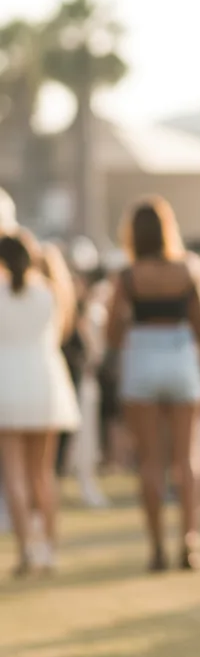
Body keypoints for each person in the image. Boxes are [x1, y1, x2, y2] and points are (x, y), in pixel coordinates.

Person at [107, 198, 200, 572]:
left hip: (142, 360)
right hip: (182, 356)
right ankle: (190, 542)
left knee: (151, 461)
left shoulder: (128, 275)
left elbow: (112, 332)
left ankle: (156, 547)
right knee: (188, 459)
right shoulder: (189, 268)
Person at [0, 232, 80, 575]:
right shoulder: (50, 290)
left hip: (8, 382)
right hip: (43, 381)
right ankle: (47, 549)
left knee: (15, 475)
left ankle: (26, 551)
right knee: (42, 474)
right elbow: (61, 332)